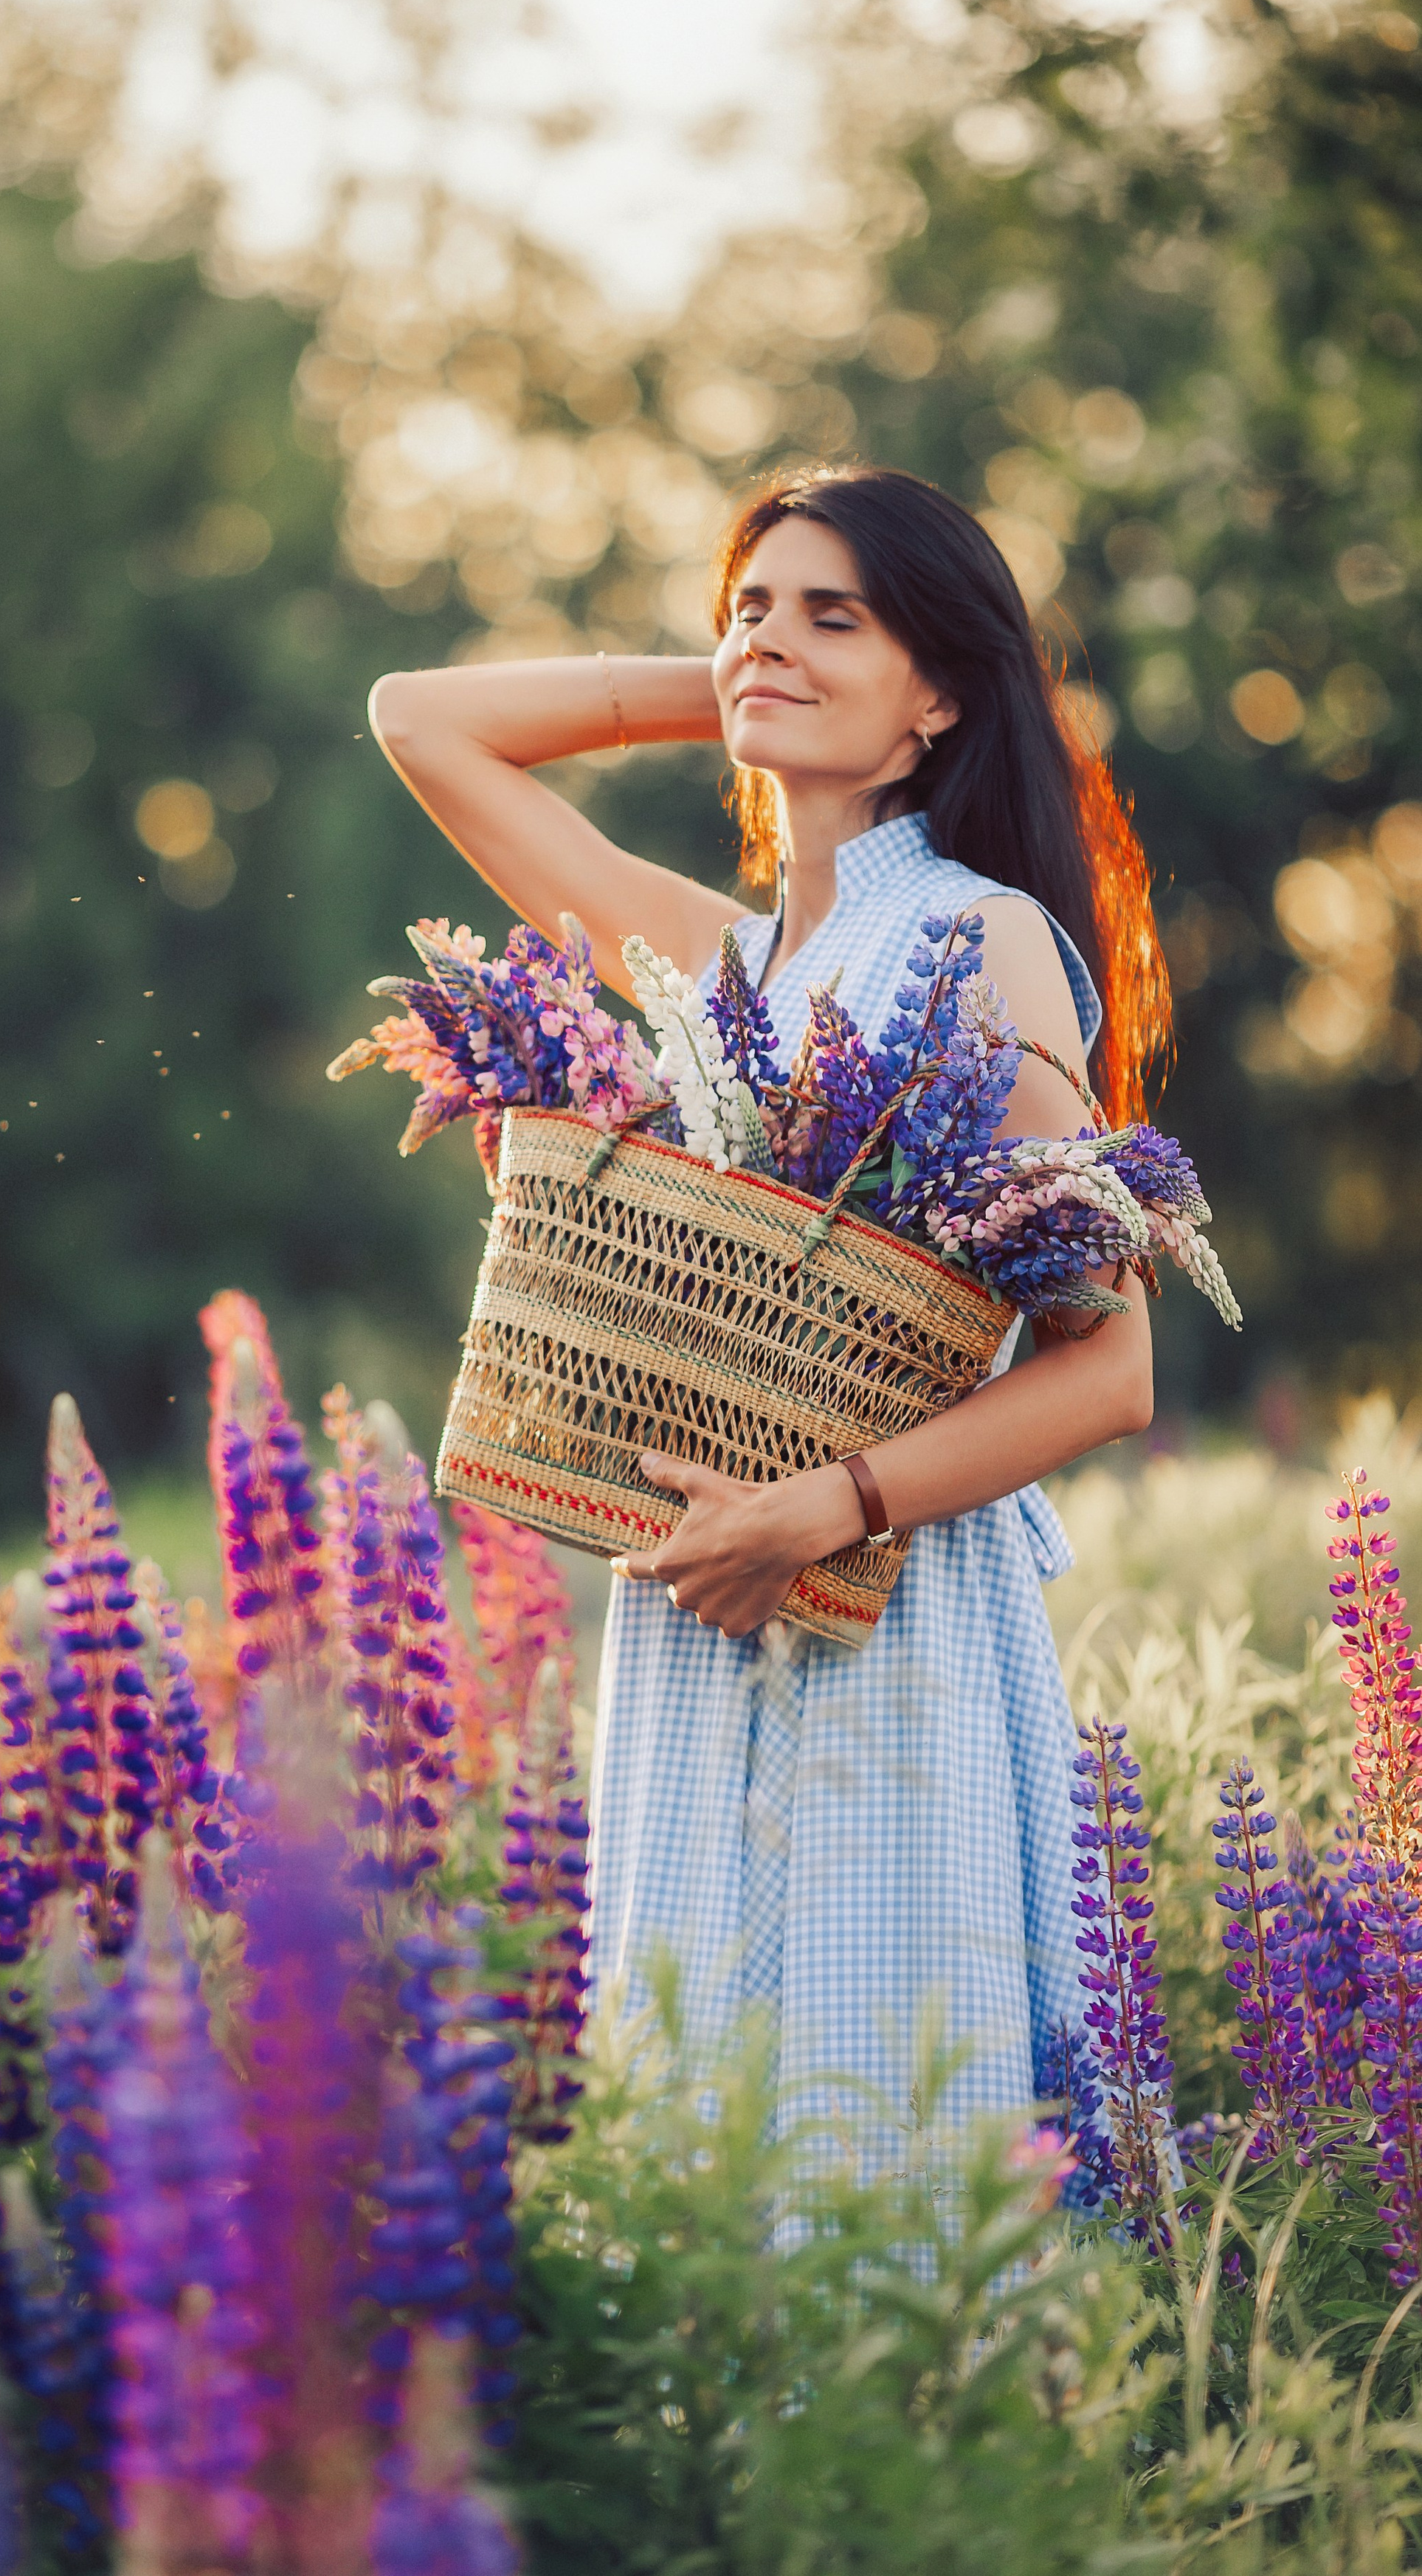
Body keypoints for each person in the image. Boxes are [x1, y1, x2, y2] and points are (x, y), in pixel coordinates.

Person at [367, 463, 1170, 2147]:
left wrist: (823, 1507)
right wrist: (749, 688)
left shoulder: (980, 943)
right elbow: (418, 720)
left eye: (835, 616)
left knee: (881, 2150)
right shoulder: (721, 970)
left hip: (883, 1609)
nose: (767, 640)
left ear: (940, 688)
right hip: (693, 1609)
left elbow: (1107, 1371)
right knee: (706, 2137)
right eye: (748, 606)